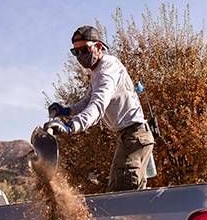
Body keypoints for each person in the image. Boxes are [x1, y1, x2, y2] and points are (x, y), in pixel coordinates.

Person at [45, 25, 155, 192]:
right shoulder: (98, 71)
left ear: (98, 47)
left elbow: (97, 106)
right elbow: (87, 100)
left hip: (134, 136)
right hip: (130, 137)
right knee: (128, 195)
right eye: (76, 52)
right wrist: (66, 111)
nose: (80, 56)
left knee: (122, 199)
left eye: (84, 49)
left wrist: (70, 126)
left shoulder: (106, 72)